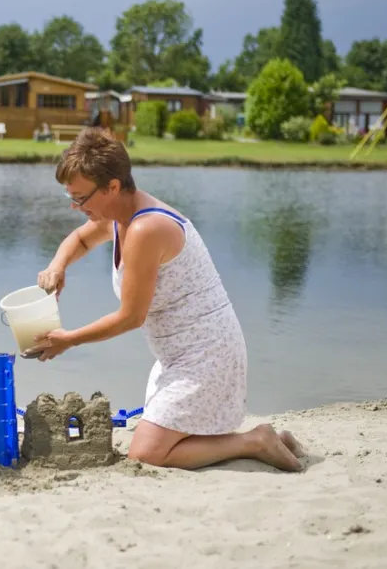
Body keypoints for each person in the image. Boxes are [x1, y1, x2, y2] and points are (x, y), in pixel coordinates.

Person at [26, 128, 304, 472]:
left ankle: (256, 440)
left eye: (81, 198)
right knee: (159, 442)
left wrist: (68, 340)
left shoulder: (146, 229)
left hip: (206, 356)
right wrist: (58, 266)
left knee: (146, 454)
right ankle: (268, 440)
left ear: (112, 187)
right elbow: (81, 240)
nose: (75, 206)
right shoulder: (118, 215)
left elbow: (131, 317)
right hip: (177, 357)